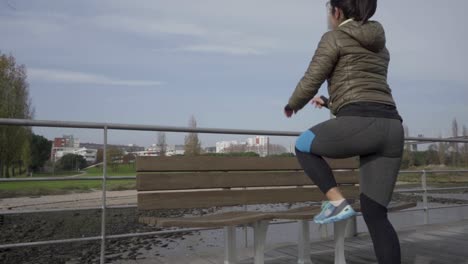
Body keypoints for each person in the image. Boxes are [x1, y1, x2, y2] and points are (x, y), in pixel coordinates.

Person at [284, 0, 404, 263]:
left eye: (329, 10)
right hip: (392, 127)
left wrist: (293, 104)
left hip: (362, 122)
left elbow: (311, 79)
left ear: (337, 12)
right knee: (376, 214)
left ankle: (337, 201)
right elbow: (365, 91)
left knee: (303, 145)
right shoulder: (380, 45)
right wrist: (329, 103)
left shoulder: (334, 37)